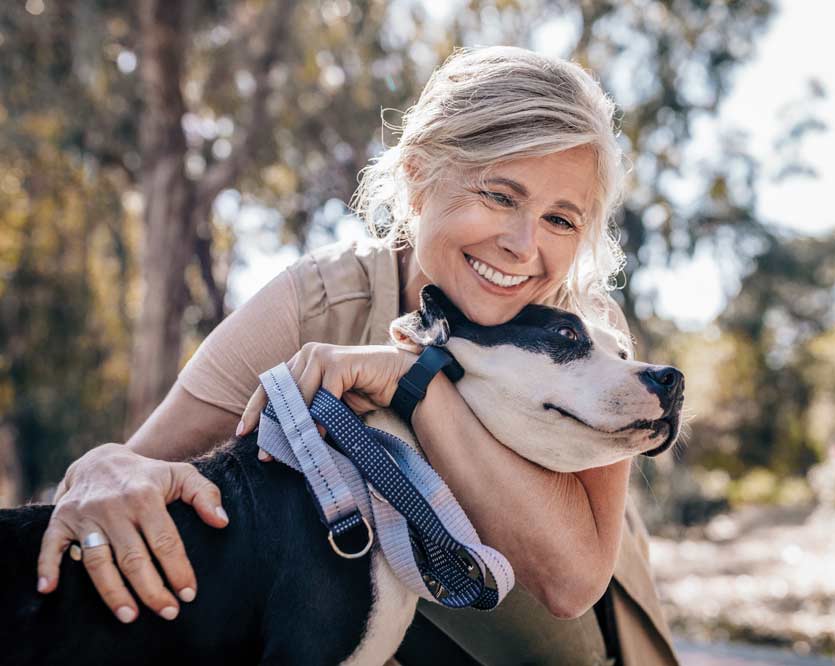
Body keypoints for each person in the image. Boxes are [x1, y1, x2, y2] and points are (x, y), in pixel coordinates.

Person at [37, 45, 680, 665]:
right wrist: (101, 469)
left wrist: (413, 382)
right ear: (420, 174)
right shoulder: (316, 302)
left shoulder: (589, 337)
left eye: (561, 220)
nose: (521, 244)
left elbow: (568, 585)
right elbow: (139, 466)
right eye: (501, 196)